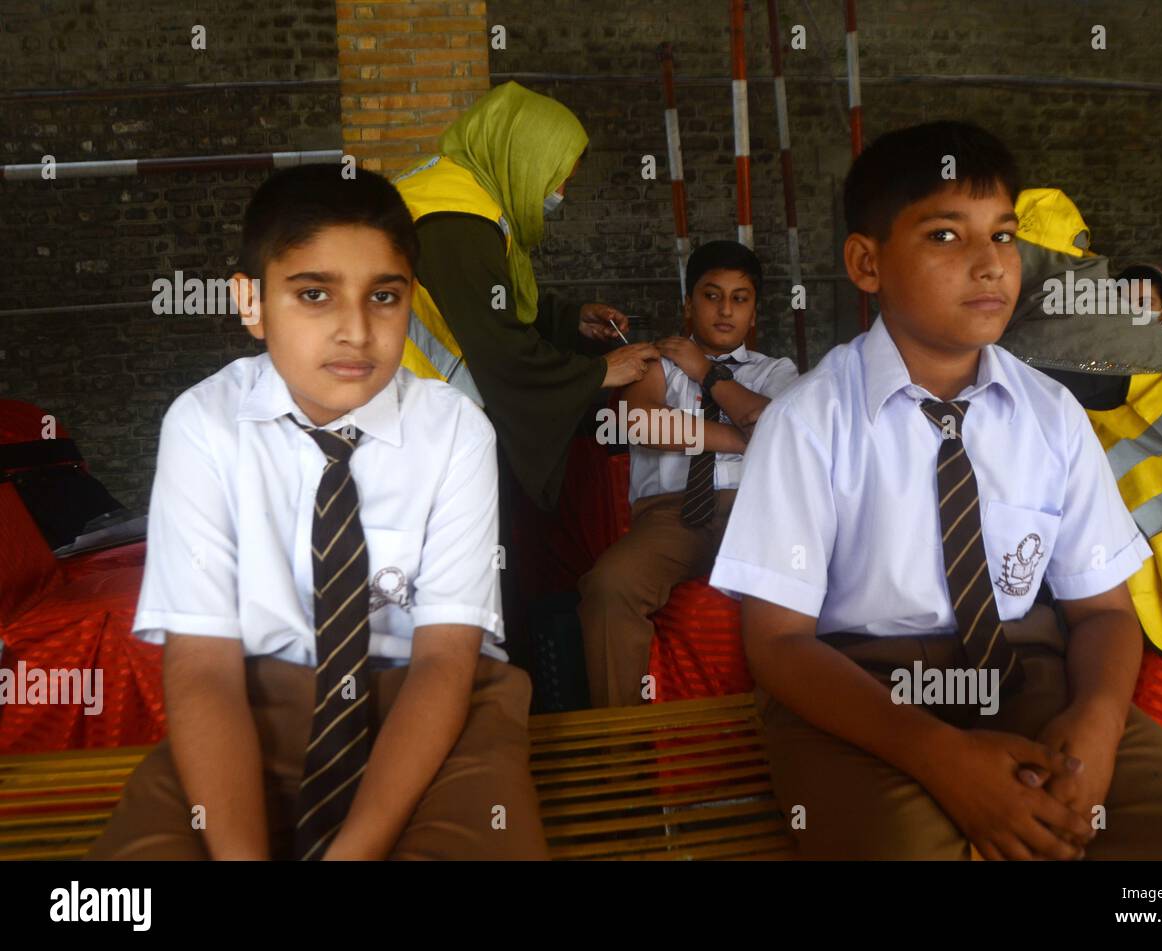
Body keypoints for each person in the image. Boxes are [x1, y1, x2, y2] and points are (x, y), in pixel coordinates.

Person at [709, 121, 1162, 860]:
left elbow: (1102, 607)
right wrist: (941, 756)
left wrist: (1099, 721)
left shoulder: (1051, 414)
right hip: (860, 698)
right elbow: (779, 643)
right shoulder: (807, 423)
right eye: (946, 236)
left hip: (1028, 678)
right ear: (866, 262)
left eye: (1004, 235)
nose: (989, 265)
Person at [87, 165, 548, 861]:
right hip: (255, 707)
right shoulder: (205, 425)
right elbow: (204, 669)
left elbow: (445, 662)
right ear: (252, 302)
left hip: (431, 710)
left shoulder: (457, 432)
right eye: (313, 294)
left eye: (384, 297)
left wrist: (351, 854)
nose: (355, 331)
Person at [390, 81, 659, 665]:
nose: (559, 193)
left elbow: (487, 306)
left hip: (430, 422)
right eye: (556, 176)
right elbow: (501, 351)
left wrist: (568, 320)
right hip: (423, 429)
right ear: (521, 156)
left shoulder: (464, 193)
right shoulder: (453, 221)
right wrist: (597, 375)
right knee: (474, 592)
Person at [577, 241, 798, 707]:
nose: (725, 309)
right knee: (609, 585)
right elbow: (645, 424)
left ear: (754, 313)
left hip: (756, 511)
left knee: (824, 576)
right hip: (671, 517)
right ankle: (624, 747)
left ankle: (792, 735)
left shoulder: (777, 371)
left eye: (740, 298)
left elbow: (783, 431)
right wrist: (748, 435)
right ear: (688, 304)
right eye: (711, 295)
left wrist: (710, 376)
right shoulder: (655, 362)